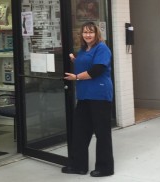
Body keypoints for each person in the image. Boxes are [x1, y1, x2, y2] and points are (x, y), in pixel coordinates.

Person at [62, 21, 114, 177]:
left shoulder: (102, 48)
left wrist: (76, 77)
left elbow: (97, 69)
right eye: (85, 32)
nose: (88, 35)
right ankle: (78, 166)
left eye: (91, 32)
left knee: (102, 133)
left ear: (96, 33)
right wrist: (74, 60)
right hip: (84, 96)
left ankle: (105, 168)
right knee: (80, 131)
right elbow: (86, 63)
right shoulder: (84, 49)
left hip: (100, 95)